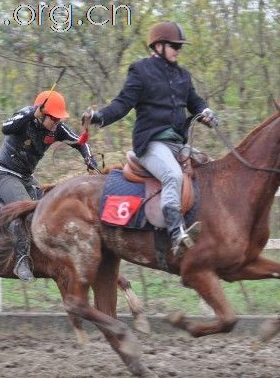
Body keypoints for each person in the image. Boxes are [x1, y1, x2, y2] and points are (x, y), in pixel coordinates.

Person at [83, 21, 220, 256]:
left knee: (210, 170)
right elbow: (123, 104)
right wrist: (99, 117)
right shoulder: (141, 70)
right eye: (174, 45)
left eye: (180, 46)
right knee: (172, 175)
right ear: (158, 45)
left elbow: (194, 102)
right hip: (151, 143)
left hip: (178, 143)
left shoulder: (183, 75)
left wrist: (205, 112)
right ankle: (176, 234)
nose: (178, 49)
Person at [0, 90, 98, 281]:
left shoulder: (57, 129)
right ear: (41, 113)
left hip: (26, 177)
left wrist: (89, 159)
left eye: (59, 119)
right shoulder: (25, 116)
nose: (57, 123)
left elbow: (80, 143)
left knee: (49, 211)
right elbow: (5, 127)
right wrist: (29, 114)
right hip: (5, 175)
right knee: (27, 210)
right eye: (54, 118)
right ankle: (21, 260)